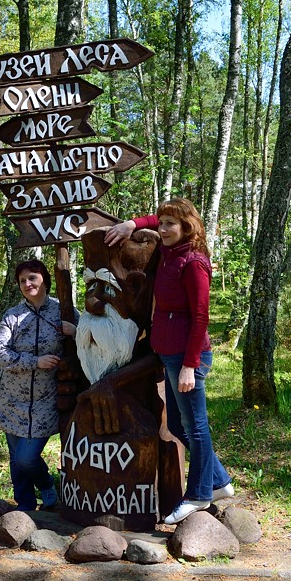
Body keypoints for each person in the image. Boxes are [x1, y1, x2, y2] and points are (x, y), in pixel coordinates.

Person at [104, 198, 234, 524]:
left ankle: (200, 496)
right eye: (161, 224)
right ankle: (219, 483)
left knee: (196, 427)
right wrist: (133, 224)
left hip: (187, 356)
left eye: (170, 224)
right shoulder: (168, 254)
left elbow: (201, 317)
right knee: (177, 425)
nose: (162, 229)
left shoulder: (193, 263)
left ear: (187, 226)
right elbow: (152, 219)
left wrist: (190, 366)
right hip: (168, 353)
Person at [0, 259, 77, 511]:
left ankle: (47, 483)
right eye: (22, 281)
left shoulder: (63, 312)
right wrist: (34, 361)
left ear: (44, 280)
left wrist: (76, 331)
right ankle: (25, 506)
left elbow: (91, 340)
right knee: (15, 459)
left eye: (32, 278)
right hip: (10, 399)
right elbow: (0, 354)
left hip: (45, 400)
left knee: (26, 458)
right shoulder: (13, 316)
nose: (27, 284)